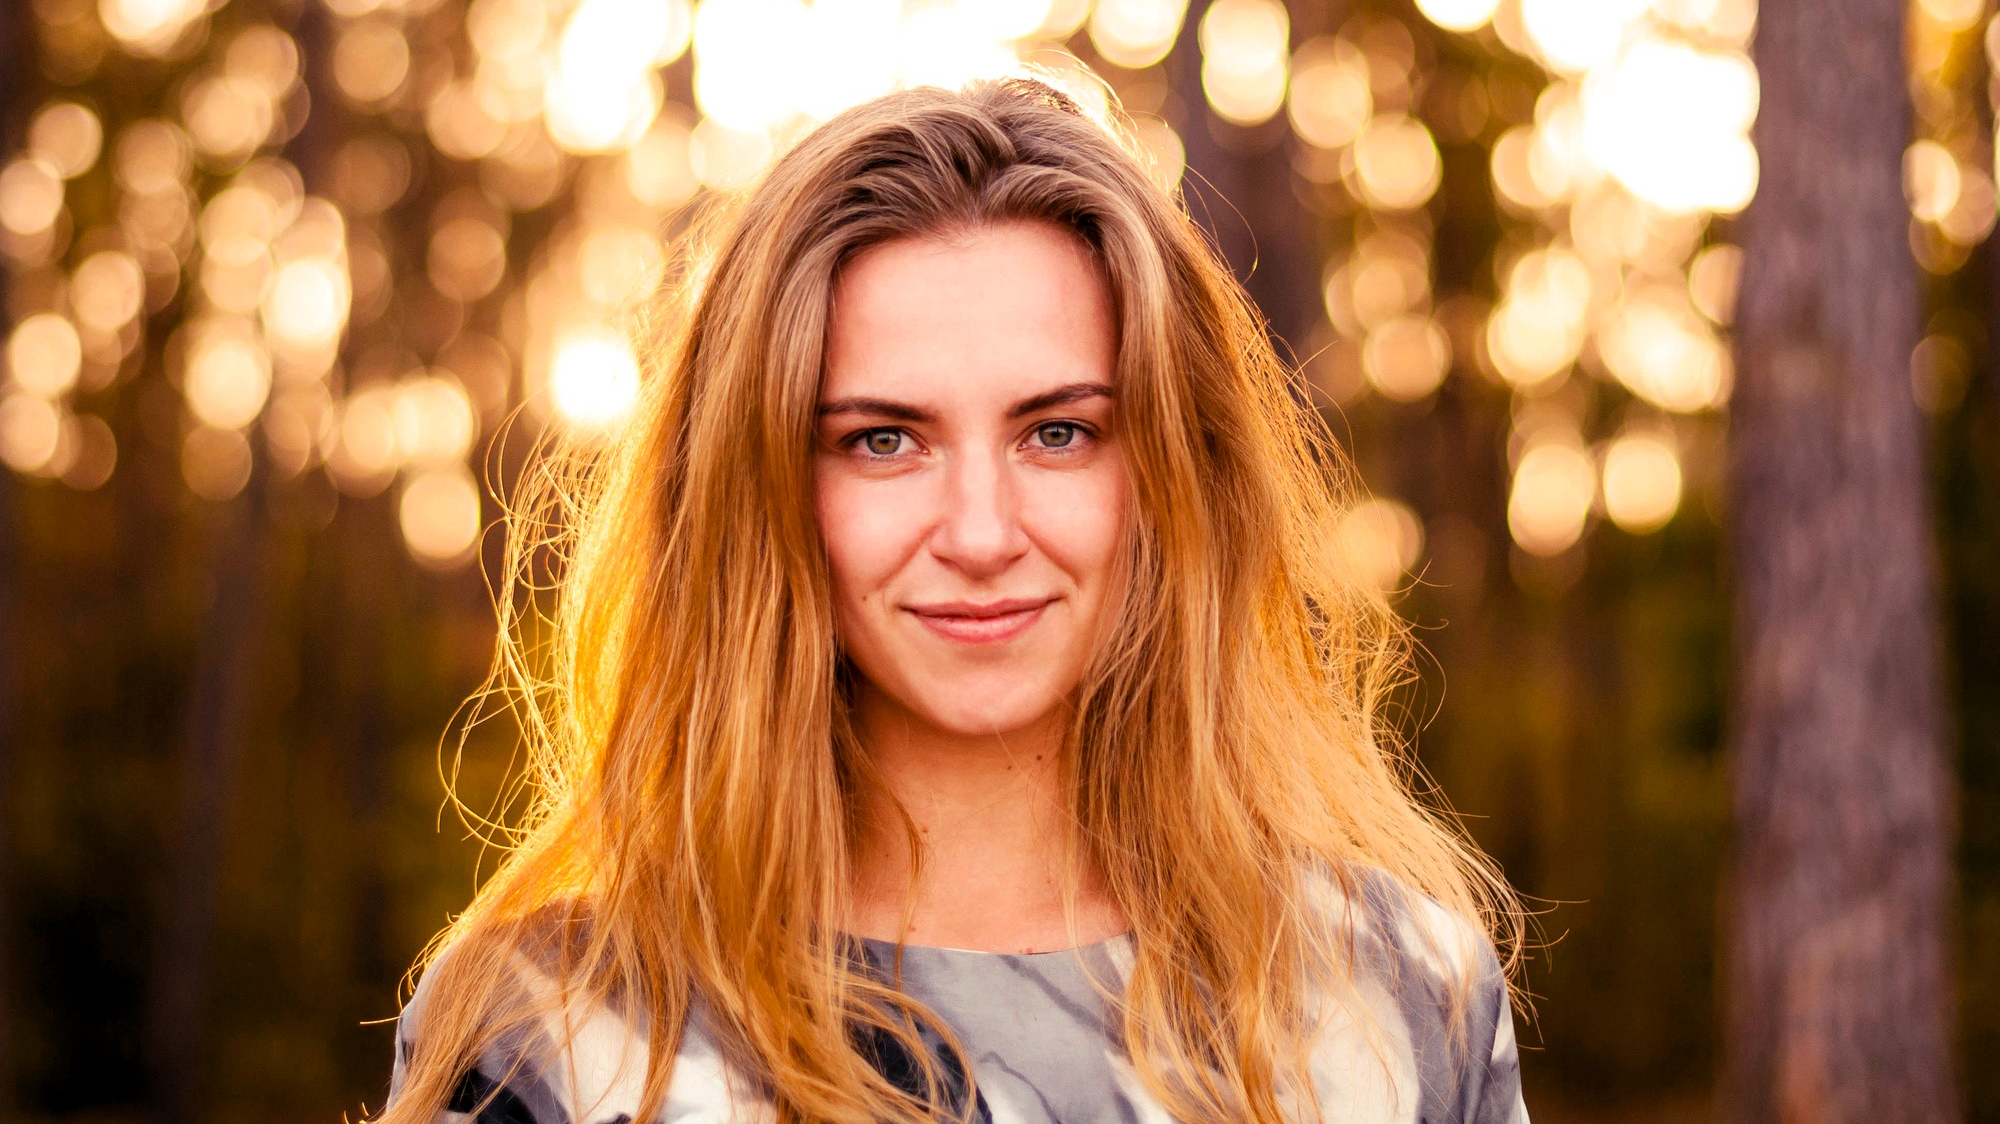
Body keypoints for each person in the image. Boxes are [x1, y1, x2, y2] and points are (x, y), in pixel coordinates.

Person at [378, 76, 1529, 1124]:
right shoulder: (554, 1034)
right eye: (882, 440)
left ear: (1173, 475)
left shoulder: (1398, 998)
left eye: (1059, 432)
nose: (980, 533)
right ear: (758, 486)